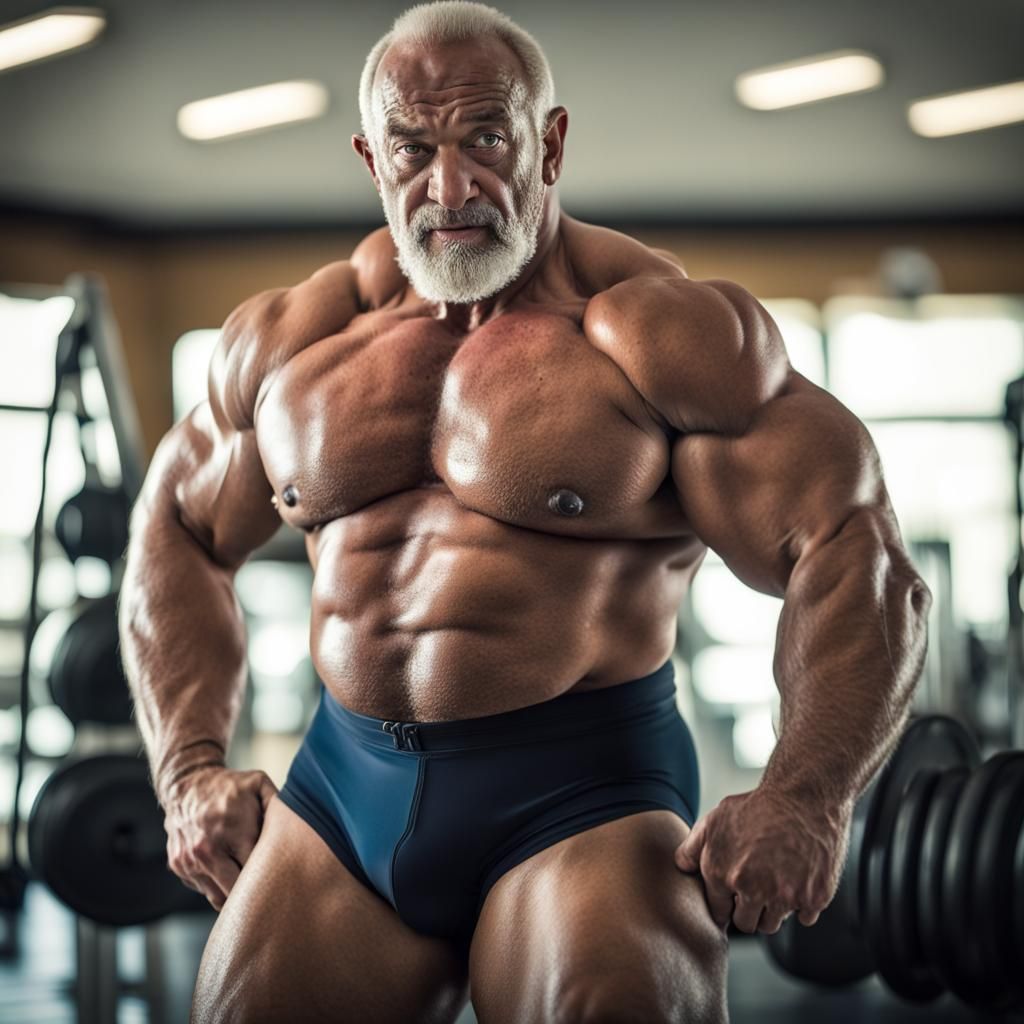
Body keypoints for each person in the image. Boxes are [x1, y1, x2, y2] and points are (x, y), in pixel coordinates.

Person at [118, 2, 931, 1022]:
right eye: (413, 147)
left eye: (485, 138)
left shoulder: (655, 332)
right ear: (371, 155)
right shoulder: (295, 341)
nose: (449, 186)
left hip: (579, 797)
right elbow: (176, 532)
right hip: (339, 792)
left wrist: (806, 796)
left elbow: (856, 551)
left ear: (548, 142)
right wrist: (188, 768)